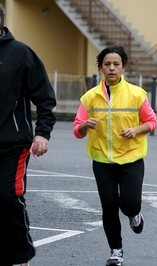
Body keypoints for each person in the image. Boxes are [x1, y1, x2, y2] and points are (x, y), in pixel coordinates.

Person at [73, 45, 157, 266]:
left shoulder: (136, 94)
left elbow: (151, 122)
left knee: (129, 204)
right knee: (109, 207)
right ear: (101, 68)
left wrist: (136, 130)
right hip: (102, 161)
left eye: (116, 64)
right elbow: (77, 130)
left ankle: (134, 215)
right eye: (107, 64)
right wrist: (84, 126)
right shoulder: (89, 98)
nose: (111, 68)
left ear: (123, 67)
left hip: (131, 158)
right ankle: (116, 251)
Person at [0, 4, 57, 266]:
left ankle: (21, 256)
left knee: (9, 196)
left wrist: (42, 134)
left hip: (13, 142)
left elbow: (44, 98)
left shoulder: (20, 53)